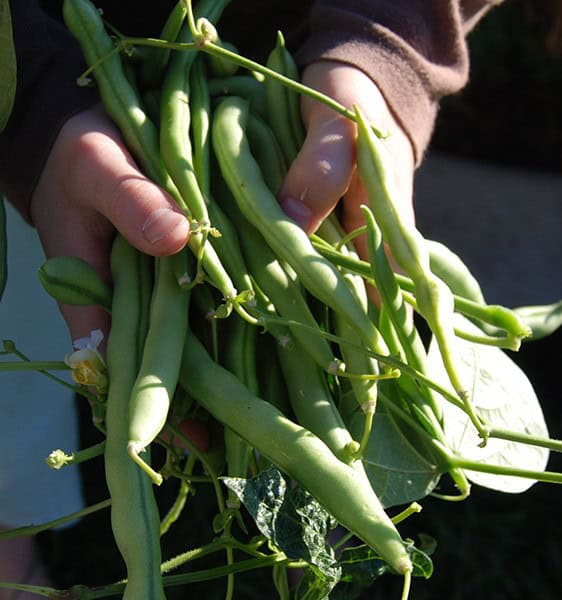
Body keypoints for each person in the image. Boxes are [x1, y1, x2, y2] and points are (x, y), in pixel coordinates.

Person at [0, 1, 503, 596]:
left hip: (295, 95)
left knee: (306, 371)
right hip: (43, 96)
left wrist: (380, 53)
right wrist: (32, 102)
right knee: (18, 379)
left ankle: (317, 542)